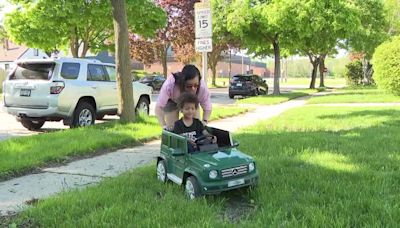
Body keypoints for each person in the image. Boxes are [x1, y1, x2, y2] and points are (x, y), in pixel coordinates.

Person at [155, 64, 212, 130]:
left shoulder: (202, 88)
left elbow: (207, 108)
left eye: (196, 85)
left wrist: (204, 122)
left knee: (195, 127)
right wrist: (164, 126)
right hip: (173, 101)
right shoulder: (170, 85)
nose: (193, 89)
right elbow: (159, 107)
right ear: (182, 83)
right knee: (172, 129)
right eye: (189, 86)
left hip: (192, 102)